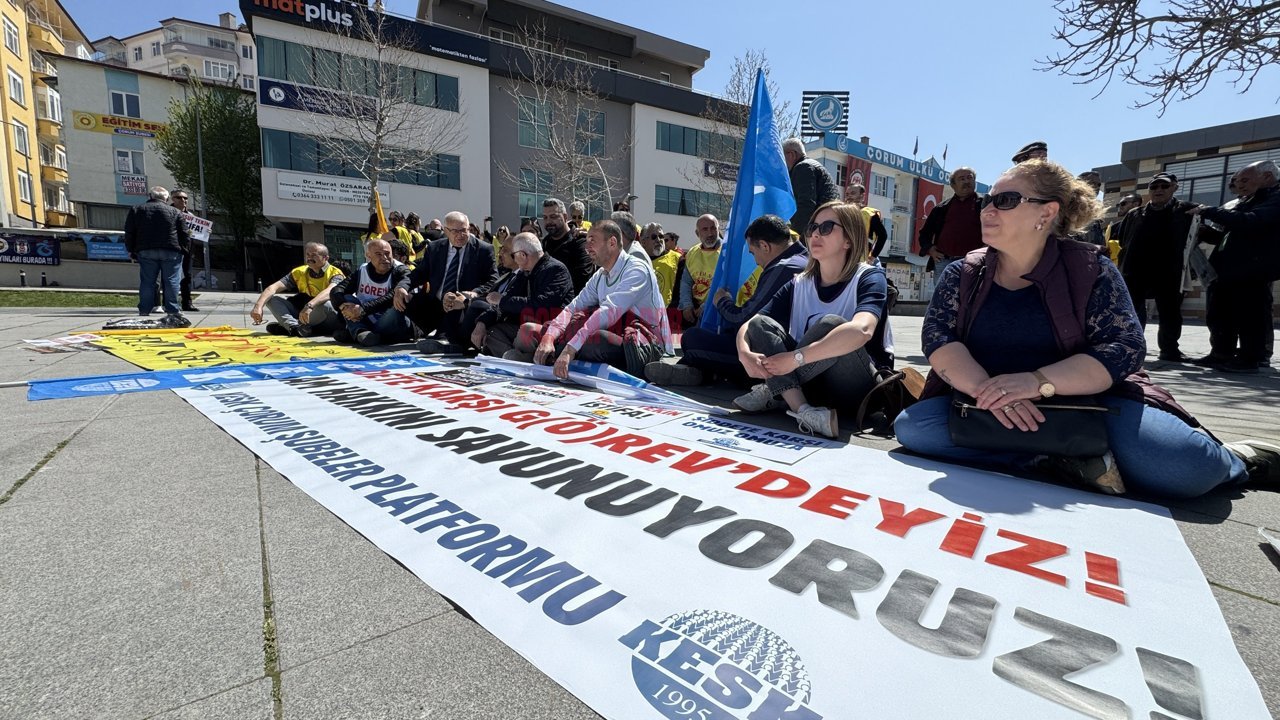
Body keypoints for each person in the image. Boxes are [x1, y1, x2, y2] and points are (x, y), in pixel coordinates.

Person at [893, 159, 1280, 497]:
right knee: (916, 429)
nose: (987, 209)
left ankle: (1238, 458)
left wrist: (1035, 382)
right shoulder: (964, 272)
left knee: (1188, 470)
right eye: (986, 200)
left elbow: (1123, 348)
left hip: (1088, 402)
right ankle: (1061, 458)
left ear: (1046, 214)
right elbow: (939, 337)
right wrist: (986, 390)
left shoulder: (1091, 269)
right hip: (991, 401)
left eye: (1005, 200)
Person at [734, 201, 889, 439]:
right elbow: (752, 323)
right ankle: (803, 410)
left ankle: (777, 391)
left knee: (832, 324)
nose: (815, 233)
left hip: (857, 388)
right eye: (812, 228)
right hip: (812, 387)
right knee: (759, 325)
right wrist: (744, 353)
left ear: (849, 239)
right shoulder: (800, 282)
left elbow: (862, 330)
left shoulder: (869, 277)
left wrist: (796, 359)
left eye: (827, 227)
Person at [648, 214, 807, 386]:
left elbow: (745, 318)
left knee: (693, 339)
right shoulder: (804, 259)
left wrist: (722, 301)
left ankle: (699, 372)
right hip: (788, 350)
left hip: (774, 357)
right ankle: (697, 371)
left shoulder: (782, 268)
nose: (756, 262)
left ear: (764, 246)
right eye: (704, 229)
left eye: (753, 254)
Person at [508, 220, 672, 378]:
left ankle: (540, 361)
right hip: (611, 333)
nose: (587, 247)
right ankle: (548, 358)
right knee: (528, 331)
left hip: (644, 343)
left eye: (592, 241)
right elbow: (573, 308)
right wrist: (548, 338)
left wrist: (570, 349)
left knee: (596, 340)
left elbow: (609, 311)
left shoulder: (637, 269)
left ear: (612, 242)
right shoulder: (600, 275)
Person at [1189, 160, 1280, 373]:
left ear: (1267, 177)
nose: (1239, 185)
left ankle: (1251, 358)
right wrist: (1201, 231)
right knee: (1219, 312)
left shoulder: (1275, 198)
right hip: (1226, 269)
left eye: (1245, 180)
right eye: (1237, 181)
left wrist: (1208, 211)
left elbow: (1252, 221)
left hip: (1253, 269)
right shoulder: (1244, 201)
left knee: (1250, 315)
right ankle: (1221, 353)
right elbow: (1225, 233)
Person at [1115, 172, 1197, 362]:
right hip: (1136, 272)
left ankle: (1169, 350)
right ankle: (1132, 347)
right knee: (1133, 311)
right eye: (1154, 187)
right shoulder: (1135, 214)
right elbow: (1123, 240)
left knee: (1170, 313)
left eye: (1164, 186)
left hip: (1170, 272)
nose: (1159, 190)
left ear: (1174, 187)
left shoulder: (1187, 211)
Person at [395, 211, 497, 352]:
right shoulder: (435, 248)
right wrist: (402, 287)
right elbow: (418, 274)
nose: (460, 235)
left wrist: (471, 294)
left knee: (455, 305)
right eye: (455, 231)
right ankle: (421, 331)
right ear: (446, 230)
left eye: (464, 230)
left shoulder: (484, 250)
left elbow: (493, 280)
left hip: (462, 304)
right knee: (404, 299)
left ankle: (447, 339)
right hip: (435, 304)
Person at [472, 233, 575, 357]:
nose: (514, 260)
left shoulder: (556, 270)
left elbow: (541, 305)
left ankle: (518, 359)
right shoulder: (524, 272)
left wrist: (503, 300)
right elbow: (506, 300)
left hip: (550, 328)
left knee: (526, 331)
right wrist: (482, 322)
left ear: (522, 255)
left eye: (513, 255)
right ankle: (517, 358)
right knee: (492, 331)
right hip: (522, 327)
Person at [124, 186, 191, 328]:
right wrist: (184, 250)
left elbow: (129, 232)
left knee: (148, 281)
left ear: (150, 196)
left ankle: (144, 310)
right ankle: (173, 310)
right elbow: (184, 233)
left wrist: (131, 250)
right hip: (171, 250)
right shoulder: (175, 212)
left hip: (146, 250)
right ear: (166, 198)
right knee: (172, 280)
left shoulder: (137, 209)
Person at [249, 242, 345, 337]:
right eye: (307, 254)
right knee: (271, 299)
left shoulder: (336, 273)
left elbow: (330, 291)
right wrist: (258, 307)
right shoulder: (299, 272)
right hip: (304, 312)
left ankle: (289, 327)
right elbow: (273, 288)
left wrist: (309, 306)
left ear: (325, 258)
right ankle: (294, 327)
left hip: (325, 315)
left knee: (326, 305)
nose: (309, 258)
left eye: (314, 255)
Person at [330, 238, 413, 346]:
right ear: (368, 256)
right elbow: (337, 289)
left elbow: (392, 296)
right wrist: (343, 306)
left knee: (397, 303)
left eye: (387, 253)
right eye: (378, 254)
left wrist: (363, 309)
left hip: (389, 319)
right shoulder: (362, 270)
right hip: (364, 317)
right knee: (346, 297)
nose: (384, 258)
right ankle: (361, 332)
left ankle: (357, 334)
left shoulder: (401, 270)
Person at [918, 167, 982, 276]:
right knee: (943, 293)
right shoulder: (941, 208)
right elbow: (924, 234)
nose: (966, 181)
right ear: (953, 185)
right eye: (961, 179)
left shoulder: (985, 206)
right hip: (944, 262)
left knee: (972, 293)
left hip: (974, 262)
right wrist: (930, 249)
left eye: (969, 178)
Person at [783, 138, 839, 234]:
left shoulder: (802, 167)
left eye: (783, 157)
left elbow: (806, 204)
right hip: (827, 226)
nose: (782, 162)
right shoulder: (812, 165)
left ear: (792, 154)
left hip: (817, 229)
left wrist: (795, 235)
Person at [677, 214, 722, 328]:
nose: (710, 233)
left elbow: (727, 286)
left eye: (713, 228)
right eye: (705, 229)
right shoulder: (692, 252)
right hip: (696, 309)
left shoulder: (727, 252)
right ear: (697, 233)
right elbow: (686, 282)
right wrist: (687, 305)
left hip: (717, 310)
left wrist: (706, 306)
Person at [541, 198, 595, 292]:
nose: (548, 221)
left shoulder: (580, 242)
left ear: (565, 217)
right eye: (545, 217)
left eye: (553, 216)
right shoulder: (545, 243)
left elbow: (582, 280)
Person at [170, 190, 199, 312]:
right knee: (170, 277)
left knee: (187, 276)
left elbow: (196, 233)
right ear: (172, 199)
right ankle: (169, 303)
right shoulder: (168, 212)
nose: (183, 200)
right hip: (172, 249)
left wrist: (205, 232)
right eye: (179, 198)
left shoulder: (191, 216)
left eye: (185, 198)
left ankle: (187, 303)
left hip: (187, 251)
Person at [846, 183, 889, 257]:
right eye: (847, 194)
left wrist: (873, 256)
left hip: (861, 261)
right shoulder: (843, 213)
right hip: (844, 259)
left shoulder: (870, 214)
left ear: (862, 196)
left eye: (853, 193)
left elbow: (882, 235)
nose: (849, 196)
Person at [641, 223, 680, 305]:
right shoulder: (636, 260)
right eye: (654, 237)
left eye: (661, 236)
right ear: (643, 241)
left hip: (668, 313)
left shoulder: (678, 259)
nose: (658, 240)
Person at [1104, 193, 1142, 263]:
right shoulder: (1114, 228)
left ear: (1136, 204)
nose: (1120, 207)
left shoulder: (1147, 222)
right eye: (1119, 205)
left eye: (1123, 203)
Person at [1074, 171, 1107, 248]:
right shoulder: (1068, 206)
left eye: (1098, 185)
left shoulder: (1096, 211)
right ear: (1078, 184)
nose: (1096, 187)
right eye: (1091, 183)